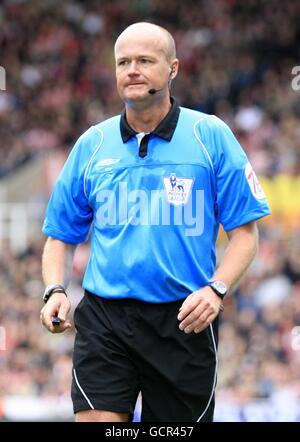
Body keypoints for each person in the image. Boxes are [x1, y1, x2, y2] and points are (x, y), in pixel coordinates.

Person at [40, 22, 271, 422]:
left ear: (173, 69)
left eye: (145, 60)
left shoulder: (210, 136)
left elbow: (246, 236)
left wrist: (216, 291)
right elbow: (60, 236)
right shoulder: (92, 144)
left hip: (184, 321)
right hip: (105, 320)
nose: (132, 69)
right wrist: (54, 289)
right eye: (123, 62)